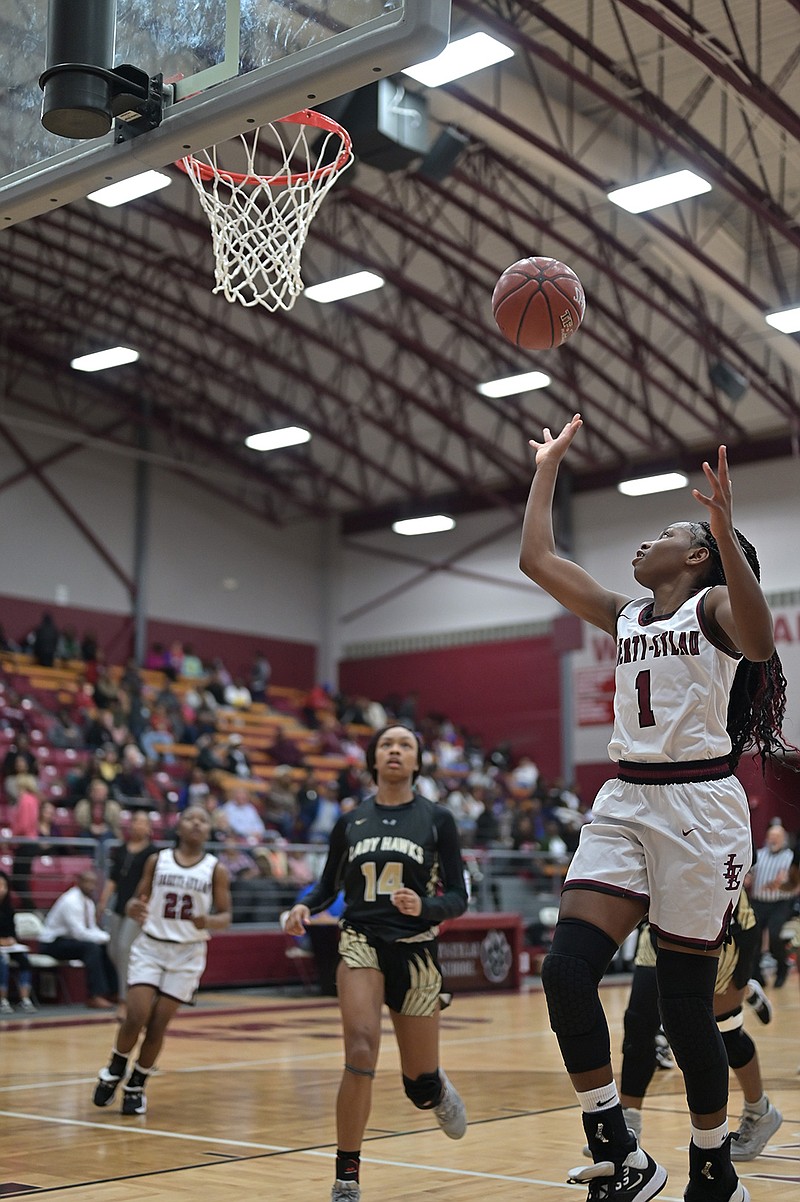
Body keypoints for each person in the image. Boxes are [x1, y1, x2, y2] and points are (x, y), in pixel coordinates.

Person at [519, 416, 793, 1202]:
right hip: (627, 798)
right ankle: (618, 1151)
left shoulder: (710, 613)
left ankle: (713, 1170)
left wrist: (730, 536)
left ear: (698, 556)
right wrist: (547, 470)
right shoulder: (625, 614)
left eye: (661, 536)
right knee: (566, 971)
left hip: (702, 810)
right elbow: (537, 558)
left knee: (683, 1005)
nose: (641, 548)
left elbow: (761, 640)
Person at [285, 723, 469, 1202]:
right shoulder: (351, 821)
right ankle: (347, 1177)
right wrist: (305, 905)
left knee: (419, 1086)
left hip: (415, 948)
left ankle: (435, 1087)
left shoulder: (437, 819)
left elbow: (459, 897)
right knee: (361, 1050)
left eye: (405, 744)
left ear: (416, 761)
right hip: (361, 940)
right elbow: (328, 886)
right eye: (386, 743)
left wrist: (425, 908)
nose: (394, 750)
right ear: (372, 759)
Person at [618, 895, 782, 1163]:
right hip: (663, 925)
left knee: (725, 1035)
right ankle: (627, 1124)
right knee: (639, 1023)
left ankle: (760, 1111)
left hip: (722, 930)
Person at [92, 805, 231, 1114]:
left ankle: (137, 1083)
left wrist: (208, 920)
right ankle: (115, 1066)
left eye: (202, 820)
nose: (196, 823)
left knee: (157, 1026)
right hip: (152, 945)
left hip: (187, 953)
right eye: (190, 818)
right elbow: (136, 900)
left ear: (208, 830)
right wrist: (132, 908)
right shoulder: (158, 861)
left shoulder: (215, 869)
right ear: (178, 826)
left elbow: (226, 916)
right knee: (136, 1014)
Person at [97, 811, 158, 1020]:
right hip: (119, 906)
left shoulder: (153, 854)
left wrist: (145, 904)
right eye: (135, 821)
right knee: (113, 950)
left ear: (149, 828)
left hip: (137, 909)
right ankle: (138, 989)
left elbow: (152, 884)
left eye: (143, 822)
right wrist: (103, 900)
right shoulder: (121, 850)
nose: (138, 825)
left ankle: (124, 1002)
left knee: (124, 949)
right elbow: (112, 879)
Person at [38, 869, 117, 1009]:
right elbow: (79, 933)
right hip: (52, 943)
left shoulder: (88, 901)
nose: (91, 886)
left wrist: (107, 939)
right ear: (78, 882)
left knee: (105, 947)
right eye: (88, 882)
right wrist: (106, 938)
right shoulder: (71, 901)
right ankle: (94, 996)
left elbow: (91, 929)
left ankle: (113, 991)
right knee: (91, 948)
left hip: (69, 941)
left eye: (94, 883)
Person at [748, 822, 797, 988]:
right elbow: (749, 878)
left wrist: (782, 884)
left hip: (780, 904)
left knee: (775, 936)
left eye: (777, 837)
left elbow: (795, 885)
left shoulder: (790, 857)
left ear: (784, 839)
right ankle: (757, 975)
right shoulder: (759, 855)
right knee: (753, 938)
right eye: (771, 836)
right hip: (758, 902)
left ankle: (782, 968)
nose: (773, 839)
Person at [0, 869, 36, 1013]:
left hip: (7, 947)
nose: (1, 890)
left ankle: (25, 1000)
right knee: (2, 960)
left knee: (24, 958)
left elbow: (12, 932)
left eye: (3, 886)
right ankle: (2, 1000)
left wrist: (11, 940)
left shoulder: (8, 909)